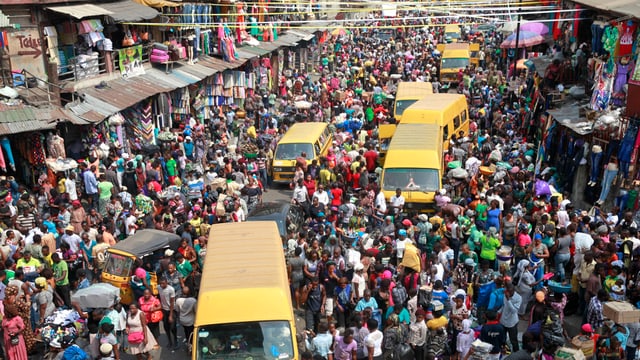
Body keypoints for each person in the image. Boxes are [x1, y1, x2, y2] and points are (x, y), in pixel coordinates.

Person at [158, 276, 178, 351]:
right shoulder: (159, 288)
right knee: (166, 327)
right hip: (164, 310)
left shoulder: (171, 289)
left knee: (173, 327)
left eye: (163, 283)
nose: (162, 285)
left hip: (171, 310)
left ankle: (176, 340)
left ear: (167, 282)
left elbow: (172, 302)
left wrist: (170, 315)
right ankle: (170, 341)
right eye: (160, 284)